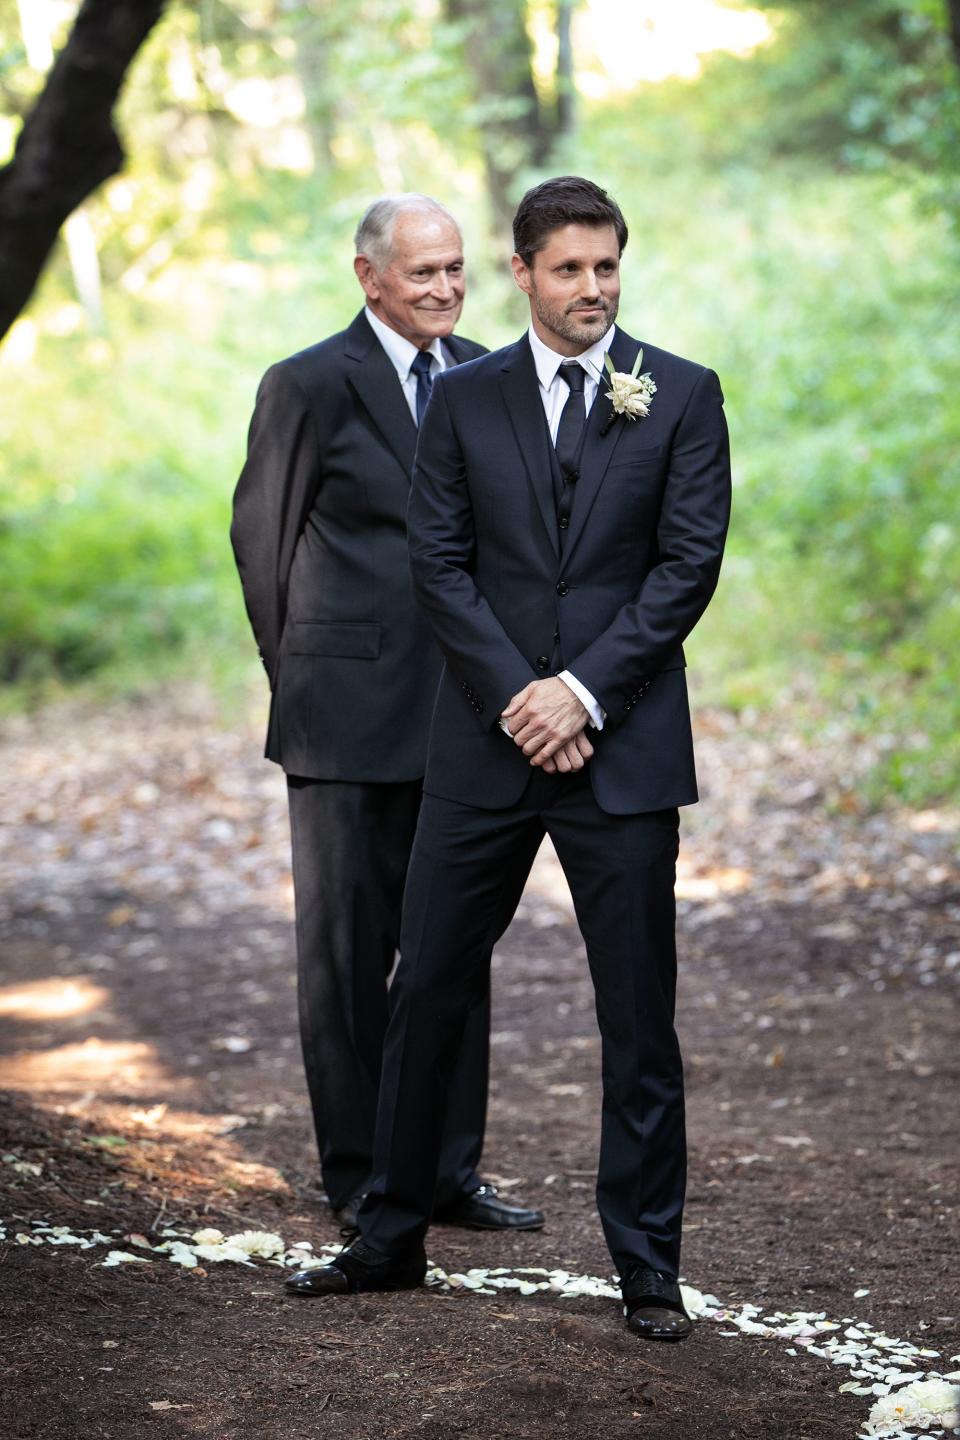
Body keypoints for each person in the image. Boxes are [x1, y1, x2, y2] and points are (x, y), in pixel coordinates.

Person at [299, 176, 732, 1341]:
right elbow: (437, 564)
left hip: (624, 748)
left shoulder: (682, 394)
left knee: (640, 1016)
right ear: (524, 274)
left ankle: (647, 1265)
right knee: (426, 985)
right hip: (485, 751)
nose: (593, 288)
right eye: (570, 269)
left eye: (608, 267)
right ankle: (388, 1236)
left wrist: (583, 691)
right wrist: (518, 700)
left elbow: (684, 569)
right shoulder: (465, 396)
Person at [230, 194, 544, 1249]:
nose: (446, 290)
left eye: (456, 270)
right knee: (348, 959)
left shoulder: (494, 374)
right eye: (423, 274)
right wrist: (305, 675)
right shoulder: (309, 385)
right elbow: (260, 546)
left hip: (468, 720)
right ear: (368, 276)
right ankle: (362, 1172)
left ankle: (447, 1170)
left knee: (454, 949)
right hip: (343, 720)